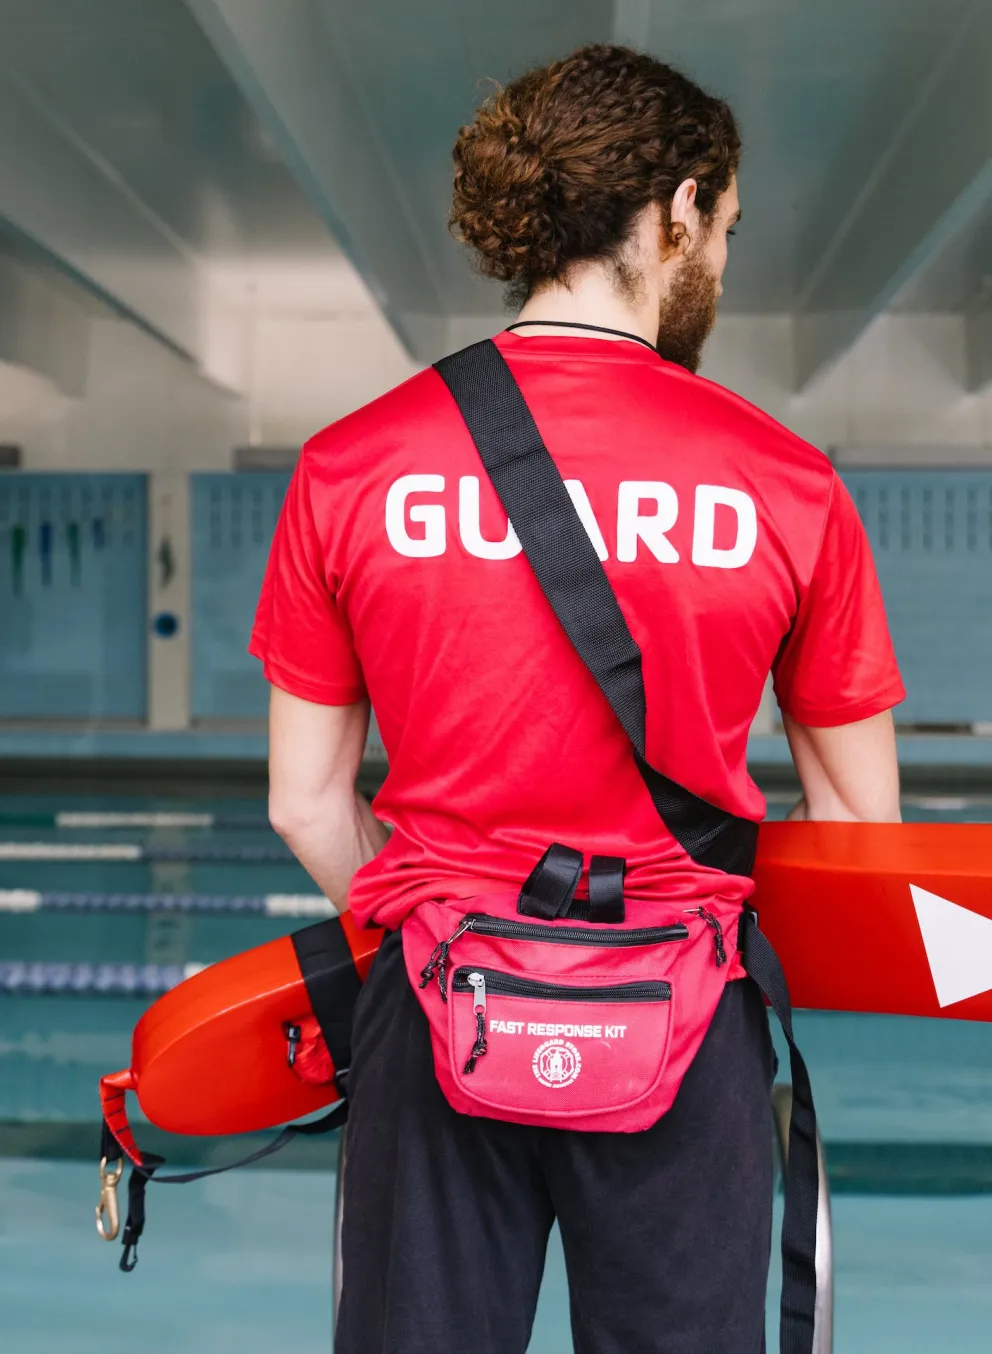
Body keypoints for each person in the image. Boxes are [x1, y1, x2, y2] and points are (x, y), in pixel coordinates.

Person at [250, 43, 903, 1354]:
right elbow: (855, 825)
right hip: (691, 1023)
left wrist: (455, 926)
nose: (721, 256)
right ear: (677, 207)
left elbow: (307, 803)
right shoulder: (787, 485)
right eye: (722, 225)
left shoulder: (351, 465)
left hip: (438, 1011)